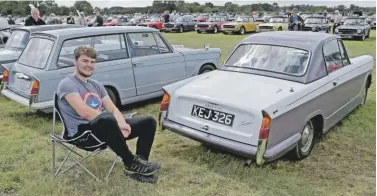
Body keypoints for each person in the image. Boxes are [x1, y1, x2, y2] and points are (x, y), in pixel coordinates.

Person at [56, 46, 161, 183]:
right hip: (83, 135)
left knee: (148, 122)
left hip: (106, 128)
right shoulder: (67, 84)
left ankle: (139, 167)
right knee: (106, 119)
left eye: (92, 62)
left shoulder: (97, 85)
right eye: (85, 61)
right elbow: (85, 112)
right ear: (75, 61)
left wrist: (122, 124)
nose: (89, 65)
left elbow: (112, 108)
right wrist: (117, 125)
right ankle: (130, 162)